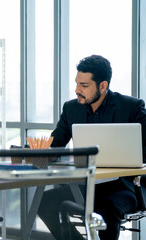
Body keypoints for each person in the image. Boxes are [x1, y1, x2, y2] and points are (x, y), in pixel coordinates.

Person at [37, 55, 146, 240]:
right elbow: (54, 146)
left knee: (106, 208)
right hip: (86, 185)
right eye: (77, 83)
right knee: (44, 202)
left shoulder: (131, 107)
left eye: (84, 86)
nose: (77, 90)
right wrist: (41, 153)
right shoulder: (71, 108)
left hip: (125, 186)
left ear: (103, 86)